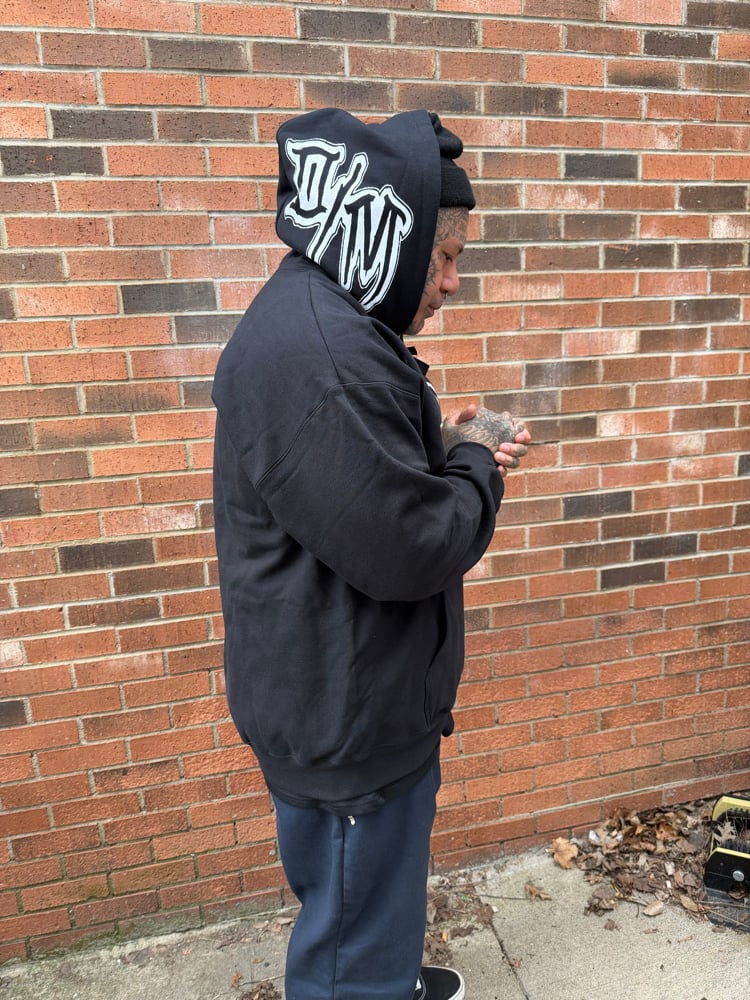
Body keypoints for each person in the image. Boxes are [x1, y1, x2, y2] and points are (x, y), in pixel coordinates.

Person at [212, 108, 530, 1000]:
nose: (453, 283)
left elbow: (356, 488)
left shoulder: (329, 319)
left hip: (352, 695)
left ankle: (381, 975)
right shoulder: (322, 354)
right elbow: (412, 546)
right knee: (349, 925)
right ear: (394, 234)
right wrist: (476, 464)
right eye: (446, 257)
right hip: (345, 715)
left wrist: (442, 447)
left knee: (368, 905)